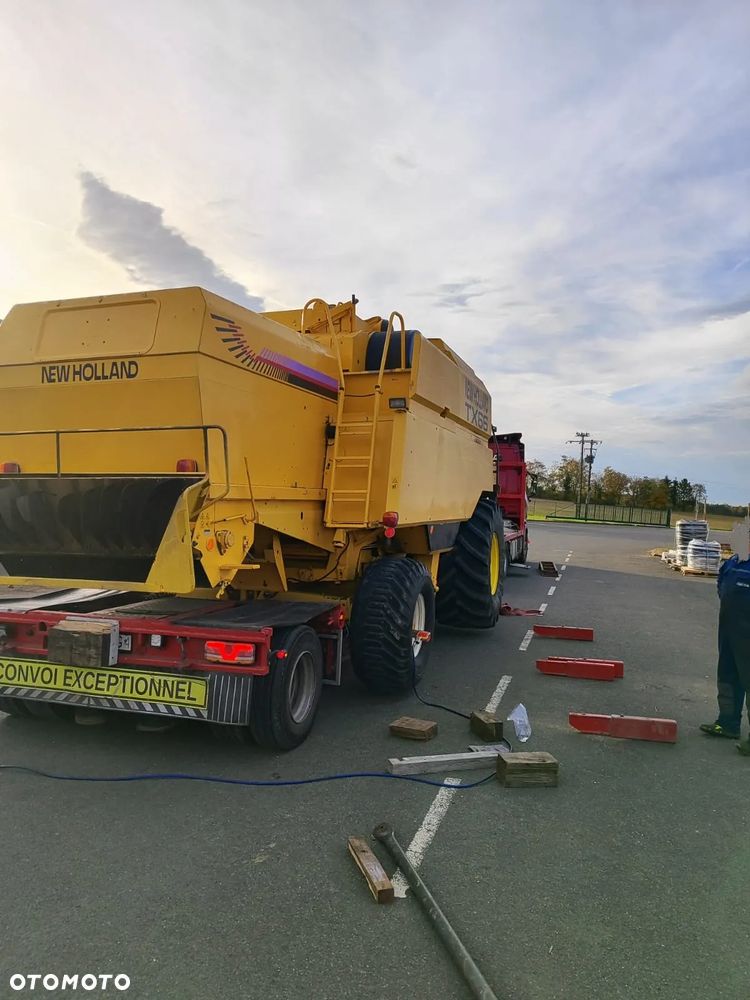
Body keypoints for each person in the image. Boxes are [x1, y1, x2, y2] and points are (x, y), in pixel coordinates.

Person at [700, 544, 750, 754]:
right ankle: (727, 723)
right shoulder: (734, 562)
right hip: (730, 630)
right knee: (728, 675)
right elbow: (722, 583)